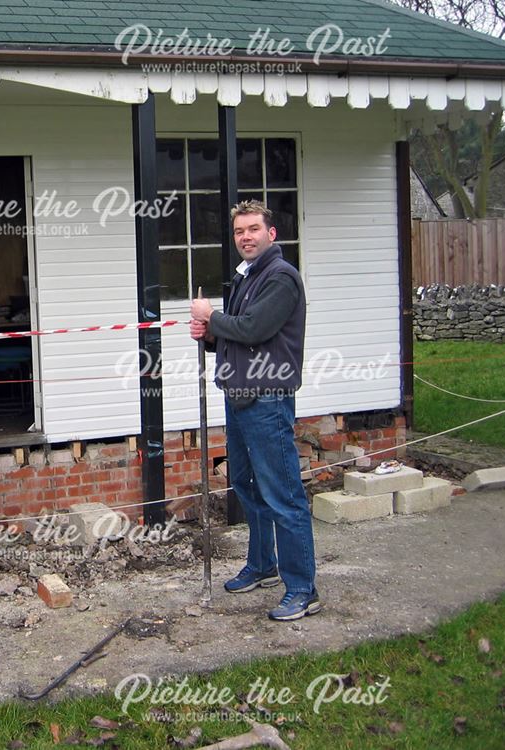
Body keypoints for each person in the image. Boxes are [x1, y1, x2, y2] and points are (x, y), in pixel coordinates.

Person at [189, 200, 319, 621]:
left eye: (253, 229)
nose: (245, 237)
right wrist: (208, 334)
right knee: (246, 485)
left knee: (283, 495)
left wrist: (214, 316)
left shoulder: (281, 278)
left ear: (271, 234)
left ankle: (303, 588)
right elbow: (238, 337)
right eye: (239, 231)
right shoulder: (248, 278)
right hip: (239, 396)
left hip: (267, 399)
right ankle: (263, 565)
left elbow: (256, 329)